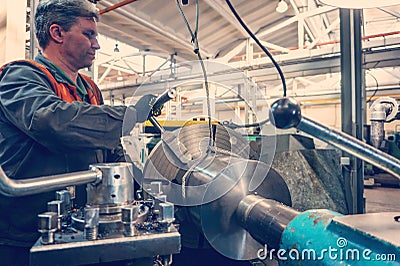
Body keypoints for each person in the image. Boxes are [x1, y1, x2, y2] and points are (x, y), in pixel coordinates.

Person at [0, 0, 156, 264]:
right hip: (26, 232)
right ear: (57, 33)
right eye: (88, 34)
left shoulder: (90, 89)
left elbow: (110, 149)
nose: (97, 44)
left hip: (79, 224)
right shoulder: (20, 77)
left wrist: (146, 182)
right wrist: (129, 115)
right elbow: (53, 121)